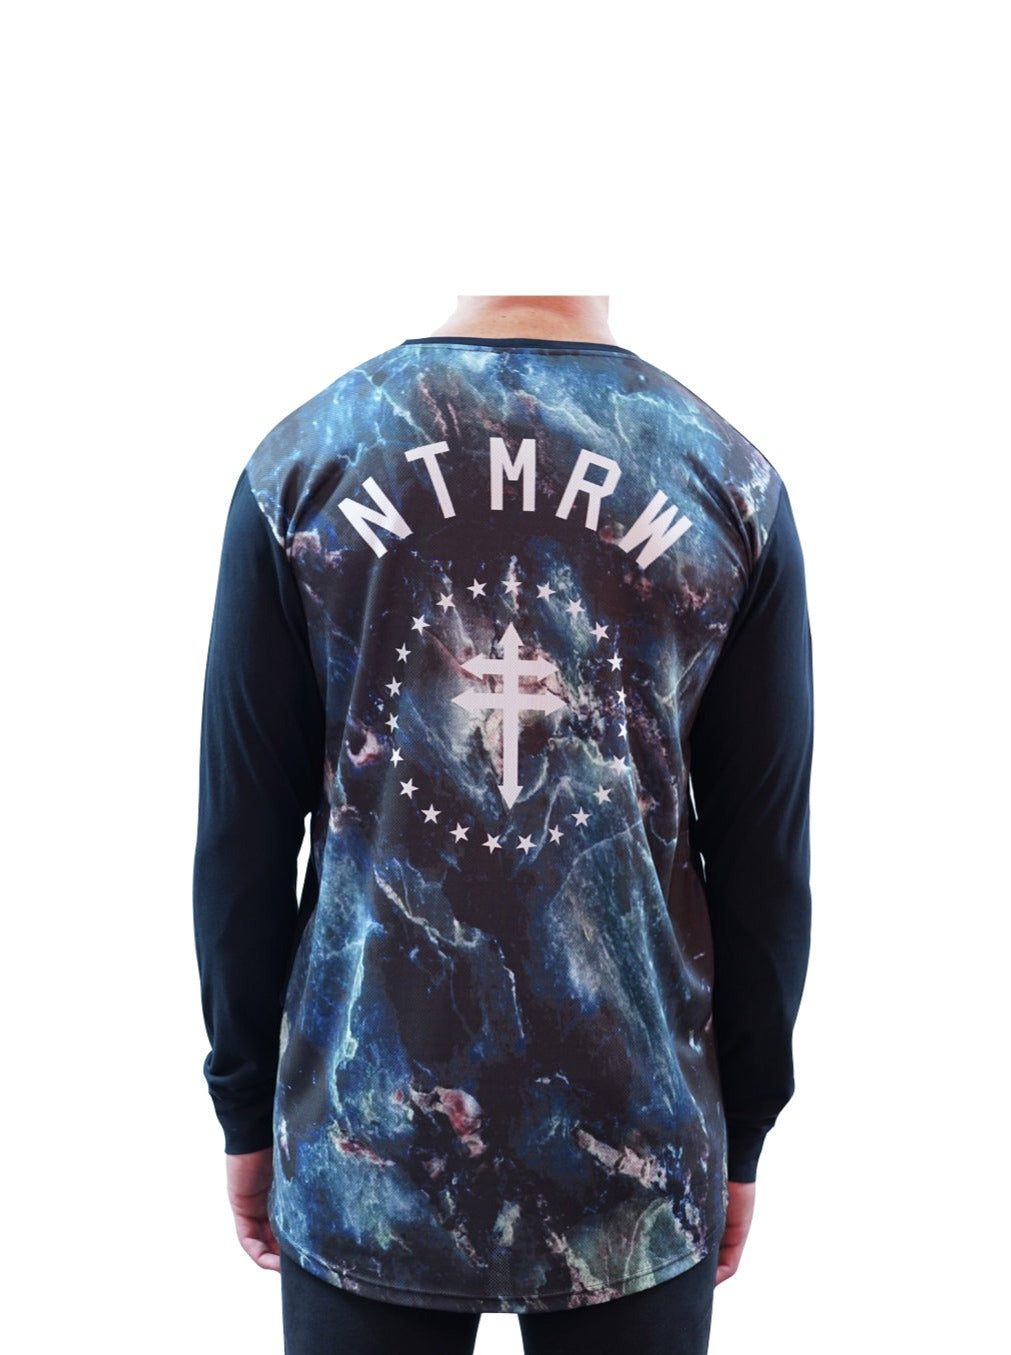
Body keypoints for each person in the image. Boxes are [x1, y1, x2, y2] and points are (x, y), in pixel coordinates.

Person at [193, 295, 814, 1354]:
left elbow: (241, 840)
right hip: (639, 1156)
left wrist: (246, 1105)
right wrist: (742, 1124)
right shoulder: (723, 482)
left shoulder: (306, 464)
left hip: (365, 1140)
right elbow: (765, 863)